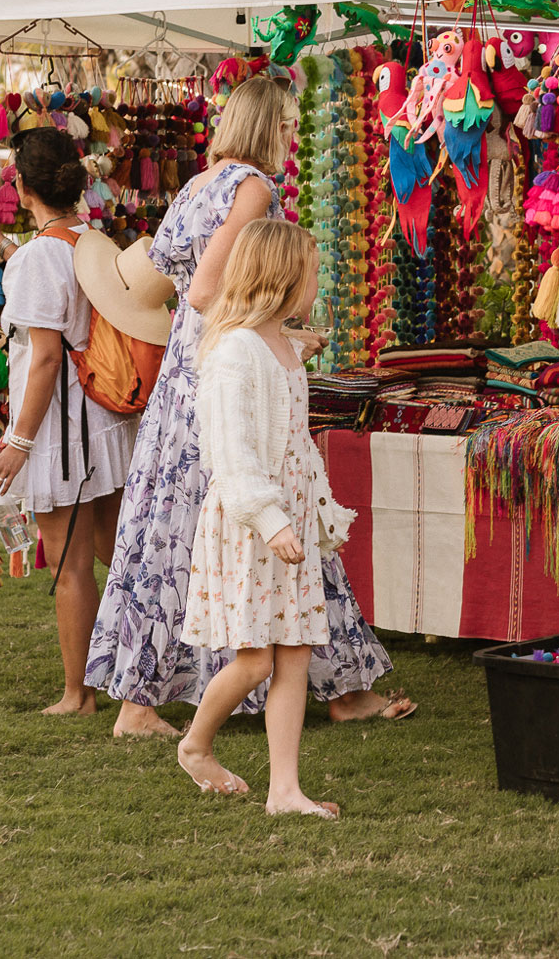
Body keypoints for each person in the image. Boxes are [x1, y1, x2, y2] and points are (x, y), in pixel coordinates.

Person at [85, 75, 412, 739]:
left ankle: (139, 700)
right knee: (274, 510)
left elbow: (186, 282)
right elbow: (209, 289)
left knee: (172, 533)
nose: (292, 138)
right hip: (221, 368)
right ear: (271, 127)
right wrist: (276, 335)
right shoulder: (254, 186)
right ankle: (338, 688)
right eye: (288, 126)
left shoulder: (198, 183)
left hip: (185, 372)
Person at [176, 219, 350, 812]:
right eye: (312, 272)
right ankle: (196, 744)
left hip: (290, 520)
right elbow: (232, 450)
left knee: (295, 649)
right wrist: (270, 518)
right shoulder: (236, 352)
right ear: (282, 277)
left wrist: (313, 510)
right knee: (254, 660)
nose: (318, 282)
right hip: (254, 527)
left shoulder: (280, 344)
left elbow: (296, 443)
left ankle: (285, 790)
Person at [0, 127, 139, 716]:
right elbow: (52, 276)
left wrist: (17, 444)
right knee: (117, 550)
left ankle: (79, 694)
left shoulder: (41, 256)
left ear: (20, 183)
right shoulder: (88, 238)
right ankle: (145, 670)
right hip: (101, 421)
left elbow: (43, 356)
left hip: (59, 429)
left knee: (68, 562)